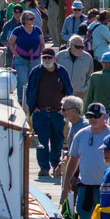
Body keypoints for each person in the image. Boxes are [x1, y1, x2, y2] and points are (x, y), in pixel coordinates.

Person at [62, 103, 110, 219]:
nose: (93, 119)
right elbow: (73, 159)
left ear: (104, 117)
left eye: (96, 116)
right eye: (90, 116)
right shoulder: (81, 135)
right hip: (85, 185)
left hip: (107, 188)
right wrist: (66, 183)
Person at [27, 48, 73, 178]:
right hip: (40, 112)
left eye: (49, 58)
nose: (47, 60)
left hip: (57, 113)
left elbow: (69, 90)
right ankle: (44, 168)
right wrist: (33, 107)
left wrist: (64, 109)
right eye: (44, 58)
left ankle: (56, 165)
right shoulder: (36, 72)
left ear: (54, 59)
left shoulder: (62, 72)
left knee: (57, 141)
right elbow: (30, 91)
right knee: (41, 142)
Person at [9, 10, 44, 104]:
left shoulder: (37, 30)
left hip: (34, 59)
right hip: (21, 59)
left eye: (33, 19)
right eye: (31, 19)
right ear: (25, 20)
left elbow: (42, 43)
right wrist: (16, 55)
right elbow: (11, 44)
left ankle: (32, 100)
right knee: (22, 80)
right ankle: (21, 100)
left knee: (33, 81)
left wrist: (39, 54)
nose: (33, 20)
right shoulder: (18, 30)